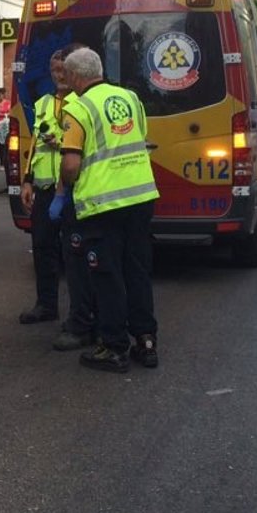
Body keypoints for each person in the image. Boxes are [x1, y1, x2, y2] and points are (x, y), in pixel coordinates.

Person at [52, 47, 160, 372]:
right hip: (140, 197)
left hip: (103, 204)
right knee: (137, 270)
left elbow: (71, 164)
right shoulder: (130, 99)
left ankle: (113, 347)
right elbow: (138, 139)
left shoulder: (78, 108)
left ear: (75, 76)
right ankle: (146, 340)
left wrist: (63, 190)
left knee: (107, 275)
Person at [17, 52, 72, 326]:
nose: (58, 76)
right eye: (54, 71)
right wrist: (27, 180)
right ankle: (46, 304)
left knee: (75, 250)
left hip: (74, 188)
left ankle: (82, 312)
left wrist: (59, 144)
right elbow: (35, 144)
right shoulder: (43, 103)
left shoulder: (81, 103)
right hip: (45, 188)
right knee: (42, 247)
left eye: (63, 71)